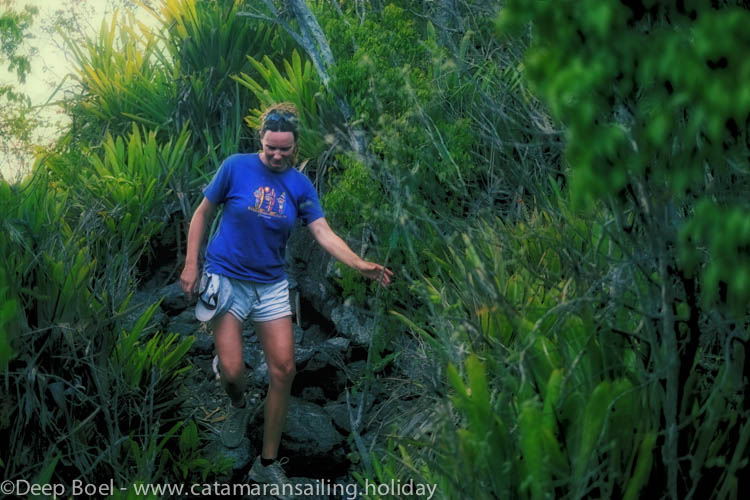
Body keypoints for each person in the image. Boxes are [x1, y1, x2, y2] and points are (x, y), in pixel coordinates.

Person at [179, 102, 392, 491]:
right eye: (271, 147)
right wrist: (192, 263)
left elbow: (323, 232)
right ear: (260, 139)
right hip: (226, 278)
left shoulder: (299, 185)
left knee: (284, 370)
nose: (277, 155)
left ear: (296, 146)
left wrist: (358, 263)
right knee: (232, 373)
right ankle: (238, 405)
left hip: (272, 285)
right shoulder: (235, 167)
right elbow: (201, 213)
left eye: (285, 149)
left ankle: (267, 462)